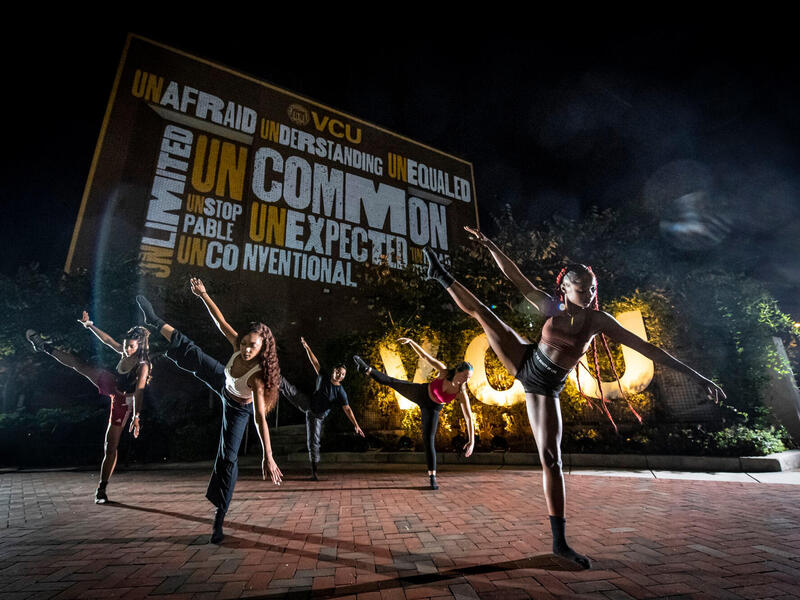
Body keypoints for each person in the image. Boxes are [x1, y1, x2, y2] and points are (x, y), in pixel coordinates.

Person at [421, 230, 725, 569]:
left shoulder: (598, 320)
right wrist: (491, 245)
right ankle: (440, 274)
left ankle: (559, 543)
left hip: (545, 387)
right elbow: (517, 279)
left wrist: (697, 376)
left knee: (552, 460)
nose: (590, 293)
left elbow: (648, 349)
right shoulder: (549, 306)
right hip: (524, 359)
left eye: (593, 288)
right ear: (565, 288)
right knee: (482, 313)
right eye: (583, 288)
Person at [135, 277, 282, 544]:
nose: (247, 349)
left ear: (263, 349)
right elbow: (220, 322)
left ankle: (219, 517)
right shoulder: (239, 345)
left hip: (238, 408)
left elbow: (260, 419)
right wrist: (203, 294)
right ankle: (154, 320)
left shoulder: (258, 377)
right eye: (246, 343)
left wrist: (268, 457)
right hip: (223, 381)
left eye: (253, 346)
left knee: (227, 459)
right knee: (193, 351)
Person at [25, 313, 151, 504]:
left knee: (111, 446)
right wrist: (89, 325)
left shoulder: (143, 365)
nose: (125, 349)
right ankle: (43, 346)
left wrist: (136, 416)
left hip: (124, 402)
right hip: (112, 382)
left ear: (139, 346)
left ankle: (102, 489)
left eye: (130, 346)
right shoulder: (124, 350)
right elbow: (108, 340)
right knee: (79, 365)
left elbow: (140, 392)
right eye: (125, 345)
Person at [352, 337, 475, 490]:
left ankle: (432, 477)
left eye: (468, 378)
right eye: (465, 376)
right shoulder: (444, 371)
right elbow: (425, 357)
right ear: (458, 371)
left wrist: (472, 441)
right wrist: (411, 342)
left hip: (433, 408)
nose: (466, 381)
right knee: (393, 382)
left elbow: (469, 418)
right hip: (421, 392)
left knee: (428, 439)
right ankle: (366, 369)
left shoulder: (461, 393)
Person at [279, 337, 365, 480]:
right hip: (308, 403)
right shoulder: (324, 375)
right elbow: (314, 362)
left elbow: (347, 409)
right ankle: (274, 378)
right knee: (291, 390)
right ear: (333, 370)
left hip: (317, 416)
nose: (340, 375)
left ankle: (314, 472)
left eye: (343, 374)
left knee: (313, 442)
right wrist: (307, 347)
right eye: (338, 372)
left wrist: (356, 425)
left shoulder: (340, 391)